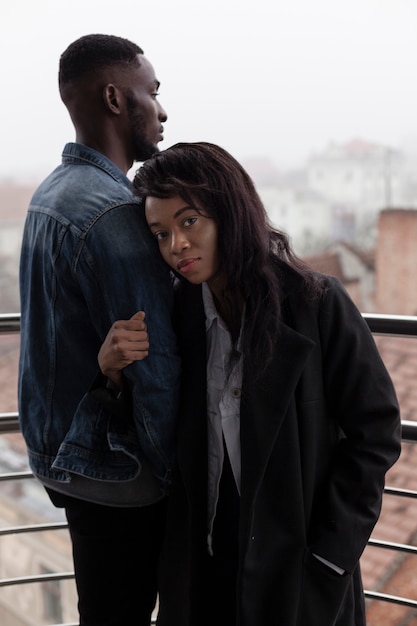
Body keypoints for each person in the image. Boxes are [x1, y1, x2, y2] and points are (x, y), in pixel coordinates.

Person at [98, 141, 402, 626]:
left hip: (298, 571)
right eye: (160, 233)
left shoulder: (316, 304)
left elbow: (377, 433)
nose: (175, 245)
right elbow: (150, 427)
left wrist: (328, 557)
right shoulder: (174, 313)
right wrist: (112, 372)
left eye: (189, 221)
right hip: (203, 569)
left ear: (229, 212)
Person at [18, 34, 181, 626]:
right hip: (119, 475)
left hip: (64, 456)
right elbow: (153, 368)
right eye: (152, 93)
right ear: (116, 98)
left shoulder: (50, 194)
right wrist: (182, 483)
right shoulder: (113, 214)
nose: (162, 111)